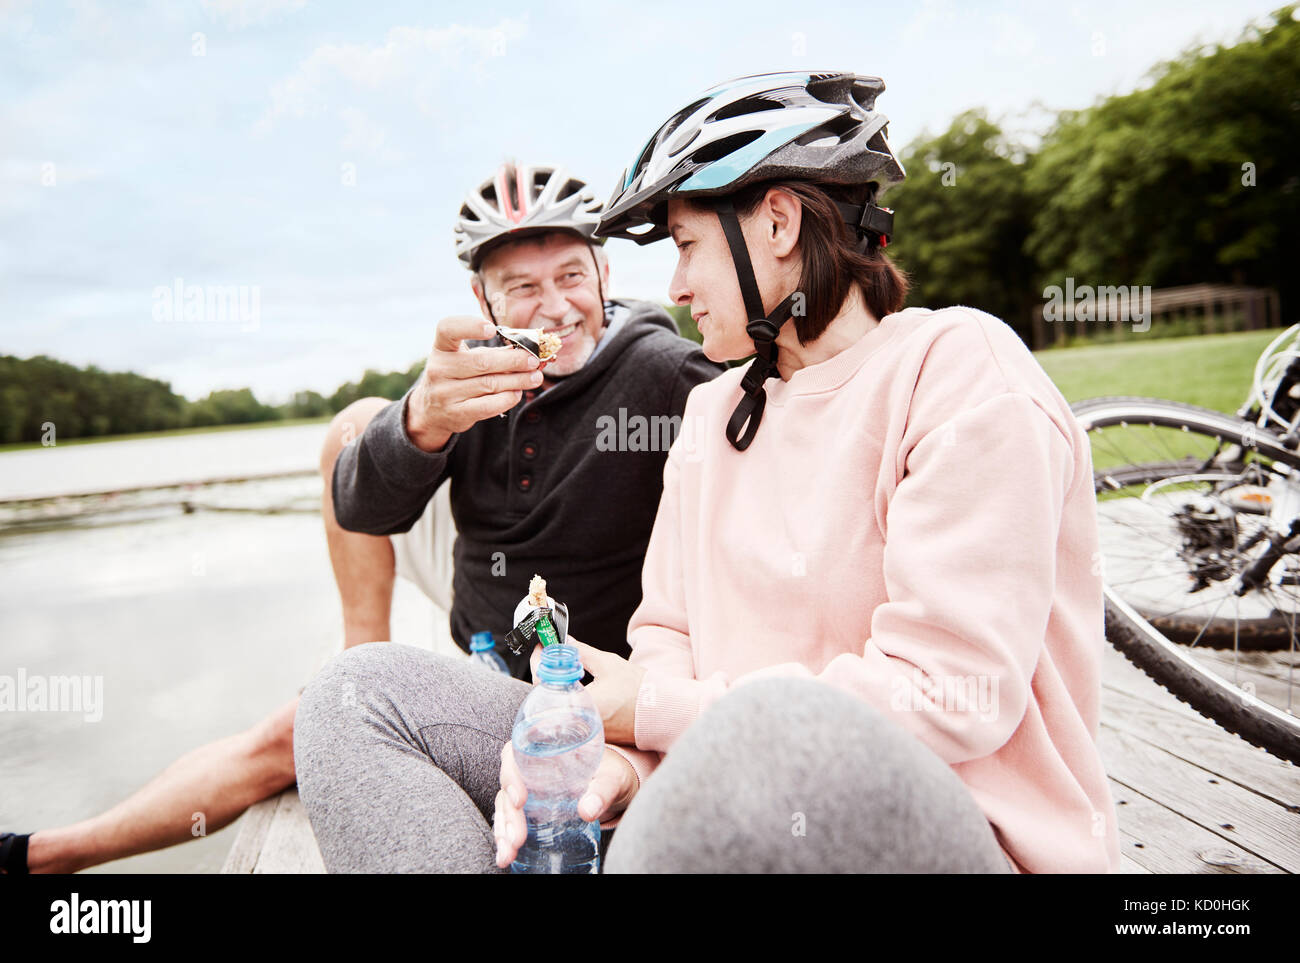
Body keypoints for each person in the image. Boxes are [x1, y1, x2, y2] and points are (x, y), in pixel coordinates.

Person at [293, 72, 1122, 874]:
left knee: (760, 734)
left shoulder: (958, 369)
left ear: (779, 223)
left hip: (946, 828)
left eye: (688, 245)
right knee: (354, 694)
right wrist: (630, 765)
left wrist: (648, 716)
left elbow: (951, 693)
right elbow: (666, 650)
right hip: (711, 781)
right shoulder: (713, 410)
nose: (678, 287)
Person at [0, 161, 721, 875]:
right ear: (483, 298)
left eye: (570, 276)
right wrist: (421, 419)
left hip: (578, 671)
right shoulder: (470, 374)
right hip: (483, 622)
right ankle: (354, 653)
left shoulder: (663, 373)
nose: (556, 309)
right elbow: (363, 508)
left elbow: (760, 429)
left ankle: (43, 856)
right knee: (358, 425)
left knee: (291, 735)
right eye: (523, 288)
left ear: (602, 270)